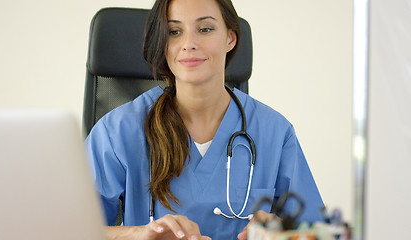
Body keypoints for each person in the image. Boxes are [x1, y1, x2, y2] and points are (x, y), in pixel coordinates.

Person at [85, 0, 324, 239]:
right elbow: (68, 228)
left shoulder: (274, 133)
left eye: (205, 29)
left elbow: (316, 232)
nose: (189, 44)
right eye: (174, 32)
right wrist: (139, 234)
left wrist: (282, 233)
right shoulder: (117, 131)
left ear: (230, 38)